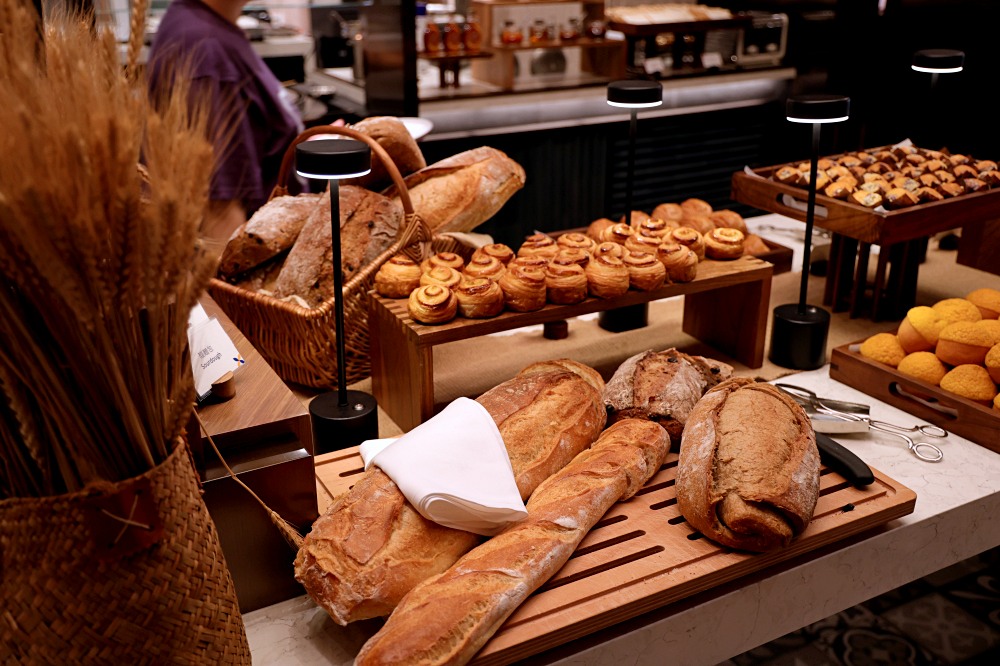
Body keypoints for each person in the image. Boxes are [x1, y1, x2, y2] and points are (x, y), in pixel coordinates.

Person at [146, 0, 304, 250]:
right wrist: (239, 288)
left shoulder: (209, 25)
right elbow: (218, 210)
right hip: (260, 261)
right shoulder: (206, 51)